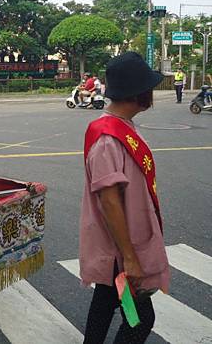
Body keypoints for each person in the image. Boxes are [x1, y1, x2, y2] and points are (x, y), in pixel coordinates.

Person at [80, 52, 169, 344]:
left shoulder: (122, 127)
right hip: (120, 249)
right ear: (138, 93)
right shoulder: (107, 140)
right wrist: (129, 258)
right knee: (141, 320)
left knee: (105, 303)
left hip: (120, 248)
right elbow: (109, 201)